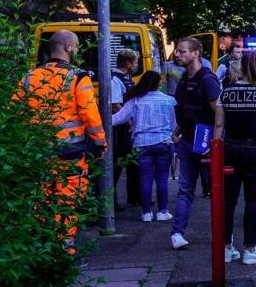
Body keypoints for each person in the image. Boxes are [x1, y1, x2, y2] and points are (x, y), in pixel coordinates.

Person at [16, 30, 107, 245]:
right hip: (70, 154)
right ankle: (64, 251)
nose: (76, 50)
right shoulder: (77, 77)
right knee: (66, 202)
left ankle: (41, 249)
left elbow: (16, 113)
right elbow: (90, 114)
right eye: (75, 46)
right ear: (68, 48)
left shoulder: (29, 77)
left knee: (40, 201)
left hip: (36, 153)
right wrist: (100, 142)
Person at [216, 52, 256, 265]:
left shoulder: (226, 92)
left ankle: (226, 247)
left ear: (241, 67)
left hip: (230, 150)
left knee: (228, 201)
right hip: (255, 151)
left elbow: (219, 126)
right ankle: (250, 249)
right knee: (253, 201)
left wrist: (216, 152)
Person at [170, 37, 224, 250]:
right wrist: (177, 131)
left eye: (182, 51)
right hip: (188, 140)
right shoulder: (184, 78)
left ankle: (223, 235)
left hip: (206, 141)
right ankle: (177, 233)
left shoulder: (207, 80)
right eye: (178, 51)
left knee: (216, 188)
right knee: (185, 188)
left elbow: (218, 111)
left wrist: (216, 140)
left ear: (195, 53)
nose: (177, 55)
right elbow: (185, 110)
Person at [111, 71, 175, 222]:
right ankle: (162, 211)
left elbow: (118, 118)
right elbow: (174, 124)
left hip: (141, 144)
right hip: (163, 142)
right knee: (162, 179)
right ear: (159, 83)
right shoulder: (170, 101)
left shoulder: (136, 100)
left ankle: (146, 213)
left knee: (145, 179)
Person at [110, 49, 140, 209]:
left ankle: (134, 196)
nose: (136, 65)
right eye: (135, 62)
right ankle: (111, 201)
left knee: (132, 162)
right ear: (128, 64)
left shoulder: (127, 78)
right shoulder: (115, 79)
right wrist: (129, 123)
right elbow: (115, 105)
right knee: (117, 163)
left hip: (127, 126)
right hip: (120, 129)